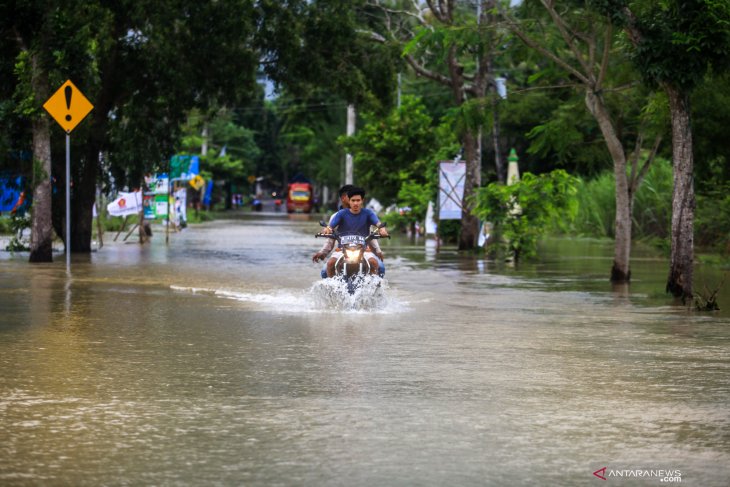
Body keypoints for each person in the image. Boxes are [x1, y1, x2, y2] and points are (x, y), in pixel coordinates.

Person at [312, 185, 385, 277]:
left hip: (363, 250)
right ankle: (332, 288)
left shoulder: (367, 214)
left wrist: (378, 250)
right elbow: (330, 237)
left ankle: (375, 288)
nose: (355, 202)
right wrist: (323, 252)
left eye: (358, 199)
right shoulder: (337, 215)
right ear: (345, 198)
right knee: (326, 269)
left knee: (379, 267)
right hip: (342, 250)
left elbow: (371, 235)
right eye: (352, 199)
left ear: (362, 200)